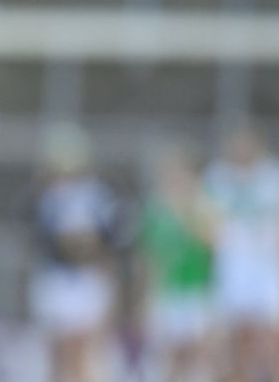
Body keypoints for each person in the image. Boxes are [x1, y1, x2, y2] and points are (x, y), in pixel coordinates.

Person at [27, 123, 121, 382]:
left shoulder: (96, 194)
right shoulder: (47, 196)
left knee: (81, 352)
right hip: (57, 276)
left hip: (86, 278)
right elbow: (42, 237)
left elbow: (107, 240)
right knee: (57, 352)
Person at [203, 125, 279, 382]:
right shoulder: (218, 178)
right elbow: (207, 219)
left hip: (266, 264)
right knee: (238, 334)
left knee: (271, 332)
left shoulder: (271, 176)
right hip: (233, 265)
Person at [134, 143, 216, 382]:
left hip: (196, 288)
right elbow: (149, 257)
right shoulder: (155, 211)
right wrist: (145, 295)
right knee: (170, 357)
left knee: (197, 354)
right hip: (168, 291)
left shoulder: (201, 207)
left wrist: (188, 215)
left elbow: (212, 244)